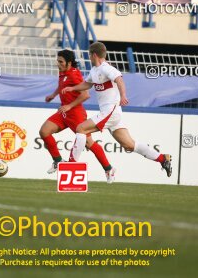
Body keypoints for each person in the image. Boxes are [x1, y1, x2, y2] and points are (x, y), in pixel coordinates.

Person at [63, 42, 172, 182]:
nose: (89, 57)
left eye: (89, 55)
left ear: (94, 55)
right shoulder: (94, 70)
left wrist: (123, 96)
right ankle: (163, 159)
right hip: (112, 113)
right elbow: (87, 84)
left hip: (111, 112)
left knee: (80, 129)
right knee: (129, 145)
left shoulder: (106, 68)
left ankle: (71, 166)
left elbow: (119, 79)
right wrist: (73, 89)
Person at [40, 49, 115, 183]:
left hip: (75, 114)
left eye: (61, 61)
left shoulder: (75, 75)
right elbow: (62, 84)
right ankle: (58, 161)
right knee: (44, 131)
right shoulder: (63, 72)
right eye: (58, 61)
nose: (58, 64)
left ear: (69, 62)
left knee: (89, 143)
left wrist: (69, 106)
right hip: (63, 113)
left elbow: (85, 94)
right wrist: (53, 95)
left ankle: (108, 169)